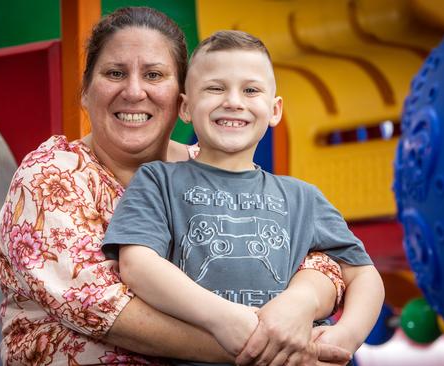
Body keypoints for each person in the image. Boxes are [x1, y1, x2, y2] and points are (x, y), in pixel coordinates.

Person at [0, 7, 354, 366]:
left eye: (154, 75)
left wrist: (302, 301)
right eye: (115, 73)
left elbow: (317, 254)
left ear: (183, 97)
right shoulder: (51, 174)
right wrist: (272, 352)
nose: (134, 91)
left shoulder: (215, 164)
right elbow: (100, 306)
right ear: (86, 91)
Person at [102, 30, 385, 366]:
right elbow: (137, 264)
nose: (233, 101)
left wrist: (345, 337)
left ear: (275, 109)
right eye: (215, 88)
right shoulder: (158, 180)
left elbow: (364, 275)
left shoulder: (302, 197)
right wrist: (221, 318)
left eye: (251, 90)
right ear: (186, 107)